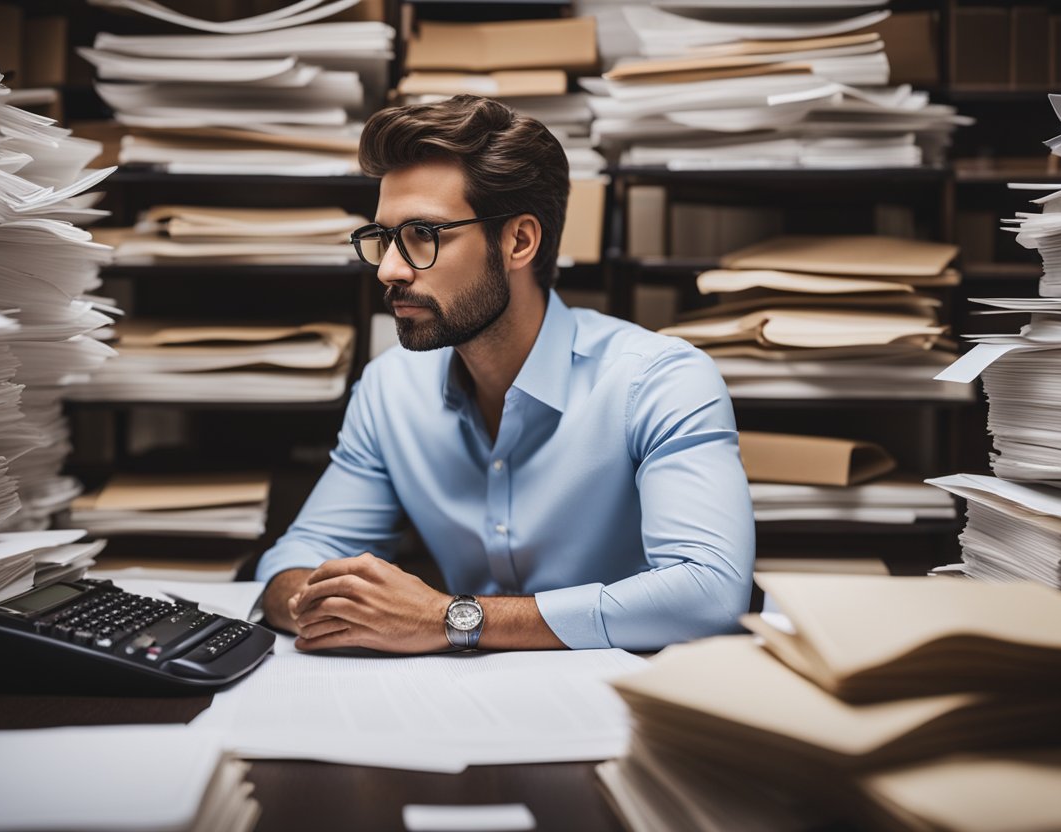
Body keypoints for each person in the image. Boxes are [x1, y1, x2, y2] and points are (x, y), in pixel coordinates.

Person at [256, 95, 754, 654]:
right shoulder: (390, 389)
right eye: (384, 239)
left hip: (633, 710)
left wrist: (450, 619)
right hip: (457, 712)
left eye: (423, 235)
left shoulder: (660, 381)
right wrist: (321, 604)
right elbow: (295, 559)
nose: (390, 269)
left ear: (519, 241)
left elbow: (709, 595)